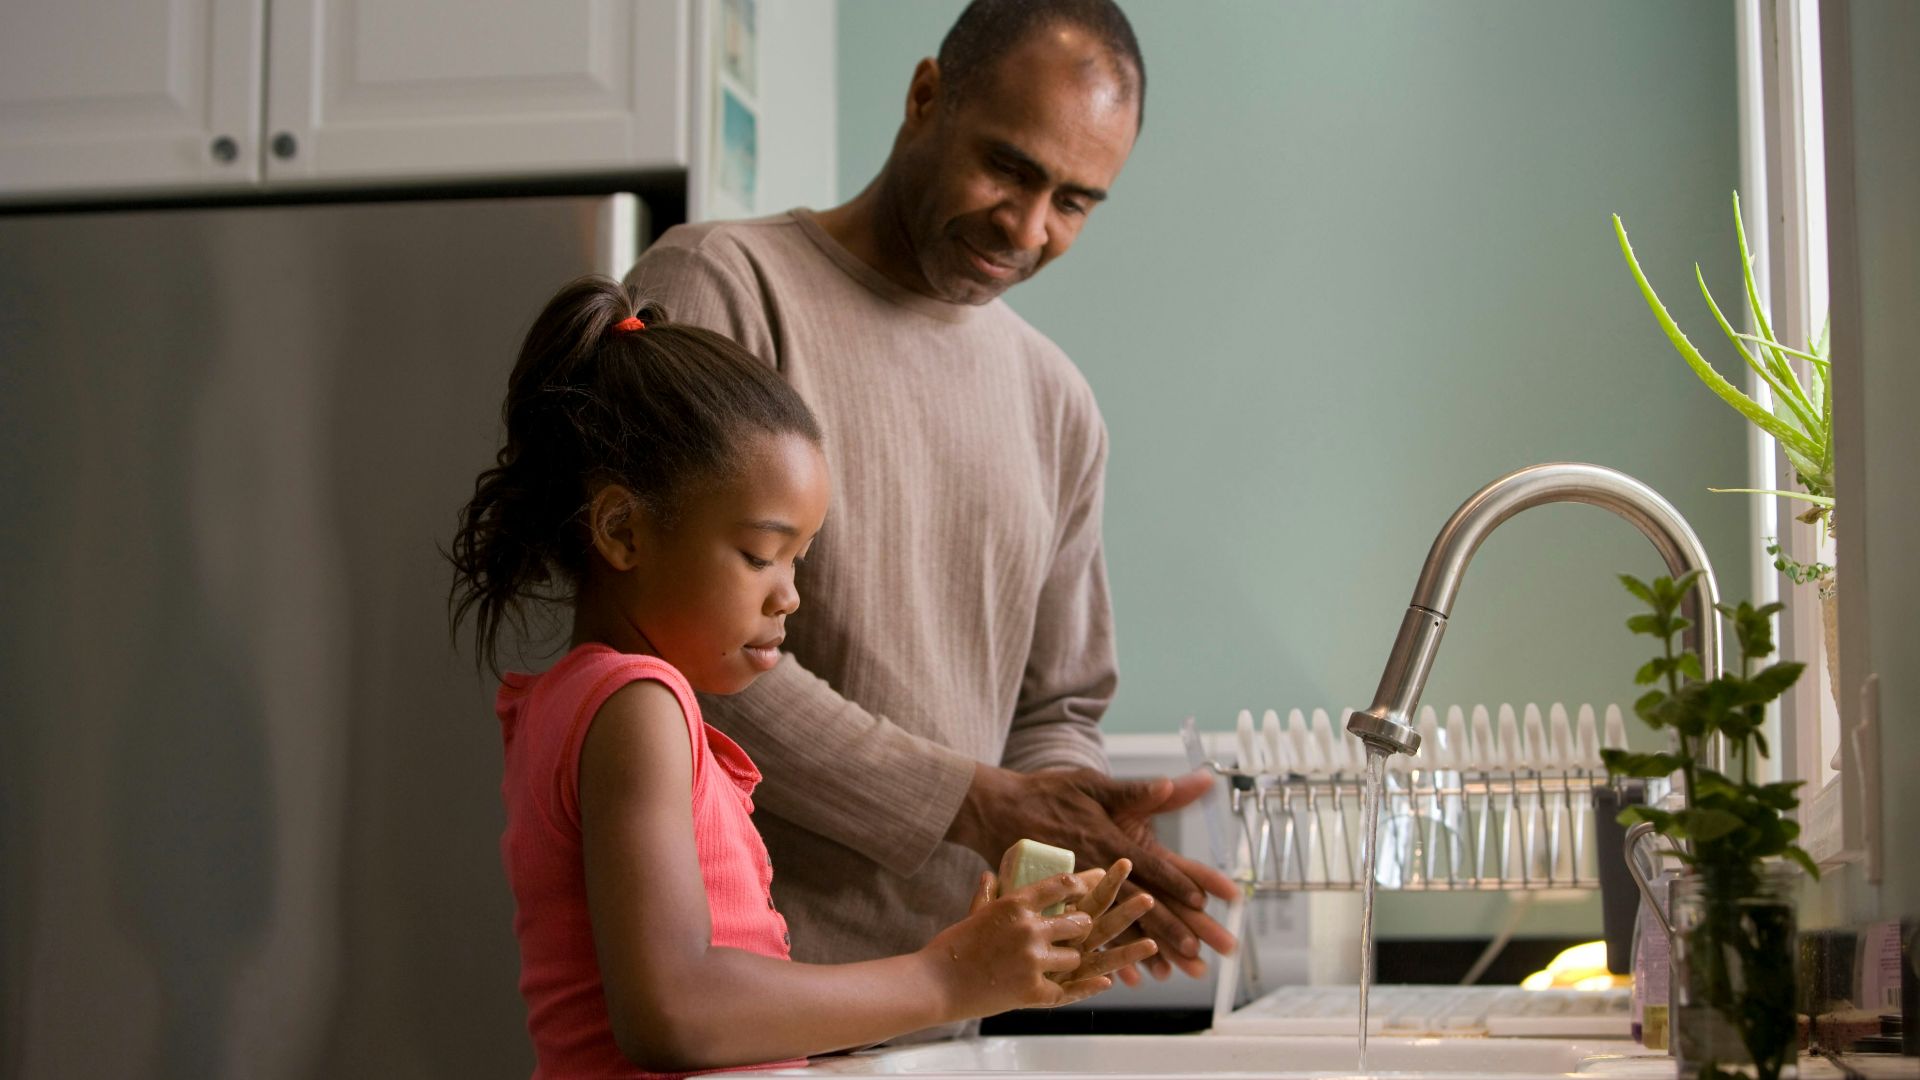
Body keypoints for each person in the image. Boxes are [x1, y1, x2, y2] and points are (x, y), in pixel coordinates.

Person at [623, 0, 1237, 997]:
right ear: (924, 99)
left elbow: (1058, 702)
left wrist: (1069, 828)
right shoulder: (721, 288)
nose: (1029, 228)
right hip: (735, 1003)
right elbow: (677, 647)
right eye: (1010, 168)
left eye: (1075, 202)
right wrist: (976, 804)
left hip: (946, 1013)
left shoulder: (1057, 404)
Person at [448, 278, 1157, 1077]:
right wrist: (947, 976)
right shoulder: (637, 707)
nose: (789, 594)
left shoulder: (581, 703)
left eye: (798, 558)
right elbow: (675, 1011)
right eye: (759, 554)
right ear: (622, 530)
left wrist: (981, 966)